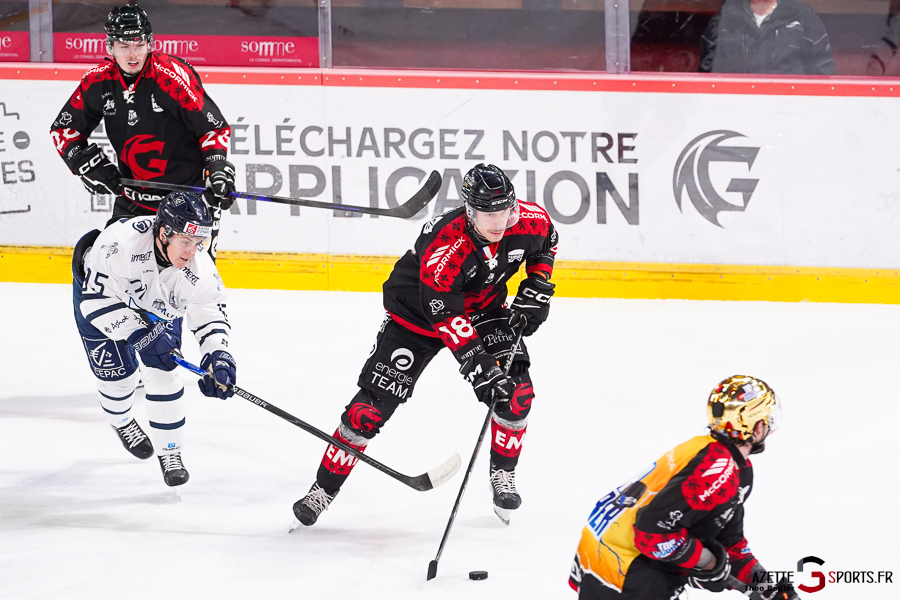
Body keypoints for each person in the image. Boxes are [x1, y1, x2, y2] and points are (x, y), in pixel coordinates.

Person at [292, 163, 558, 526]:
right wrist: (481, 368)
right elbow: (445, 315)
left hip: (484, 309)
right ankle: (322, 490)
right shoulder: (445, 245)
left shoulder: (528, 219)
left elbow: (547, 244)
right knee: (365, 414)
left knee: (517, 396)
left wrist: (537, 288)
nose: (498, 223)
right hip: (416, 319)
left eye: (503, 212)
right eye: (487, 214)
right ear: (469, 210)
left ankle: (503, 475)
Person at [569, 375, 797, 600]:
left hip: (607, 550)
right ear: (756, 428)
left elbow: (731, 543)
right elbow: (652, 534)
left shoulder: (722, 460)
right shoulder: (718, 470)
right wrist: (706, 561)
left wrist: (768, 587)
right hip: (625, 567)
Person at [71, 191, 237, 487]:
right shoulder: (118, 245)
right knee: (118, 379)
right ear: (163, 233)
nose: (192, 251)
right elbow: (94, 303)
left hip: (155, 304)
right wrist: (138, 334)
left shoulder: (198, 265)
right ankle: (122, 422)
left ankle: (170, 451)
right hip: (103, 302)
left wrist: (218, 355)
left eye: (199, 243)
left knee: (165, 372)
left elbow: (209, 309)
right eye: (185, 241)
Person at [50, 4, 235, 260]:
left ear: (150, 43)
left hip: (188, 202)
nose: (132, 54)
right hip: (134, 199)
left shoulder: (171, 78)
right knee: (108, 267)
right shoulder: (99, 82)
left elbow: (212, 128)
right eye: (124, 46)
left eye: (138, 44)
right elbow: (64, 130)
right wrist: (87, 166)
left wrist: (216, 168)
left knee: (189, 284)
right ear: (110, 47)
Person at [699, 0, 834, 75]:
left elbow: (822, 69)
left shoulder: (802, 15)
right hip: (735, 108)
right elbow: (707, 69)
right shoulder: (726, 16)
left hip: (789, 110)